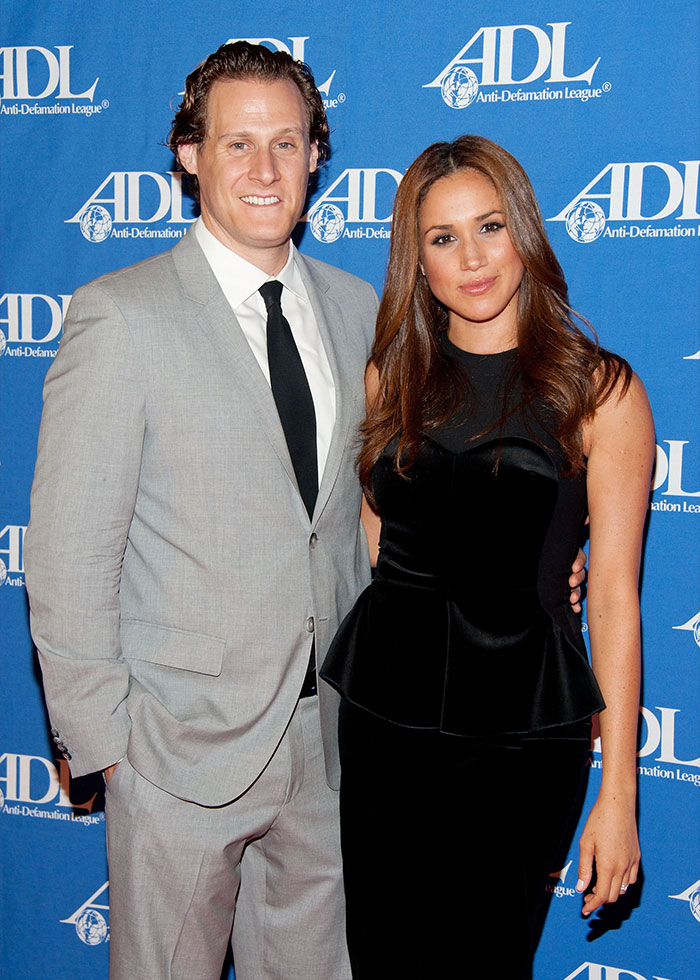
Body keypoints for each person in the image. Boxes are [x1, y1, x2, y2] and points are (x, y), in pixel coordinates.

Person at [24, 46, 586, 979]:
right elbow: (70, 553)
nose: (264, 169)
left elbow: (392, 506)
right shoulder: (118, 316)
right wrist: (109, 752)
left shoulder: (360, 307)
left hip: (339, 743)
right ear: (188, 155)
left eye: (286, 141)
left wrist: (531, 560)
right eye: (237, 143)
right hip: (177, 754)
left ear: (318, 155)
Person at [320, 135, 654, 979]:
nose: (471, 258)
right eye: (442, 237)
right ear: (417, 261)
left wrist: (619, 794)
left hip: (522, 731)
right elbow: (373, 538)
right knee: (382, 959)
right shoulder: (387, 381)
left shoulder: (600, 391)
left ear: (525, 235)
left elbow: (613, 596)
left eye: (490, 227)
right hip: (384, 718)